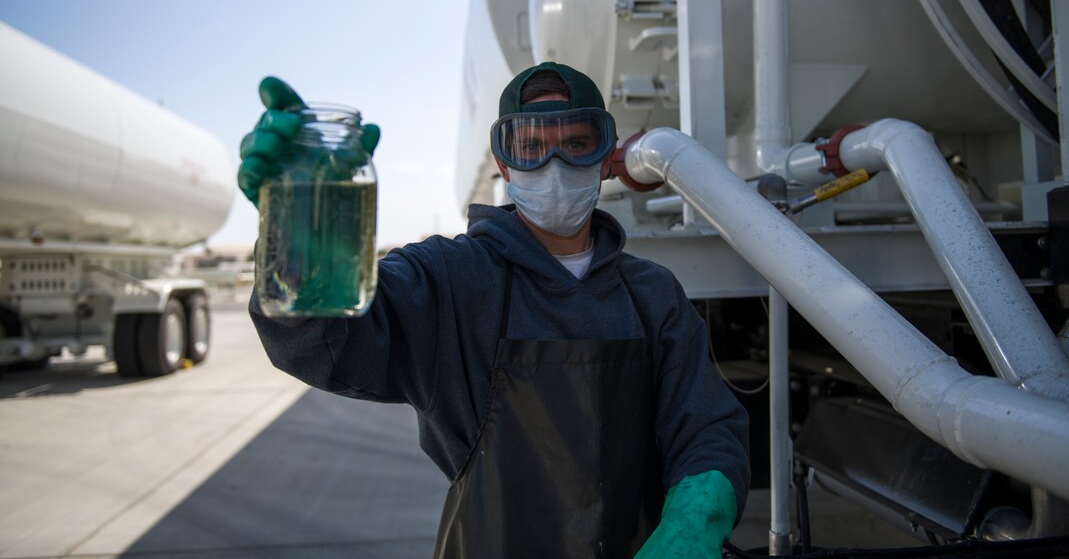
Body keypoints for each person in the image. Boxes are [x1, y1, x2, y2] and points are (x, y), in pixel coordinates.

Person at [239, 62, 750, 558]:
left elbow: (707, 424)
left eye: (577, 144)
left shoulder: (652, 294)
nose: (555, 164)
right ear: (504, 164)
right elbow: (326, 342)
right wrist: (299, 242)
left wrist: (695, 517)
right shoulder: (449, 279)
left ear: (605, 157)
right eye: (531, 146)